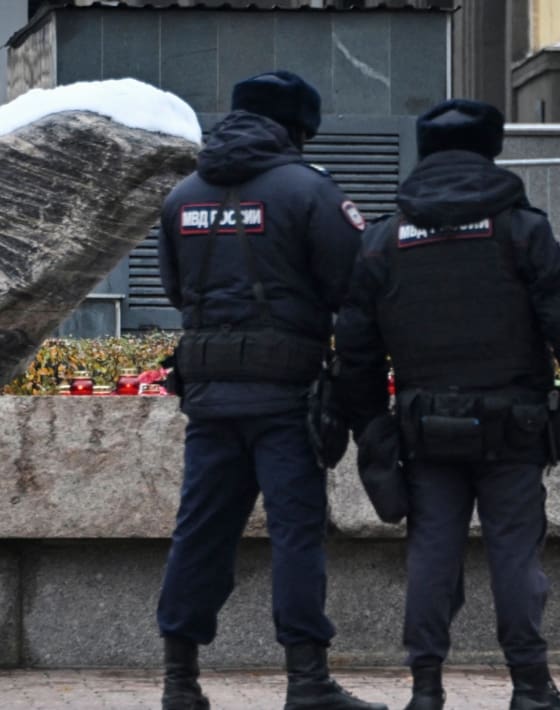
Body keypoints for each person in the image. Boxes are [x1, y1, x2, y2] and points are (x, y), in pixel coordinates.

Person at [333, 99, 560, 710]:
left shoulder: (386, 238)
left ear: (424, 151)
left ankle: (426, 689)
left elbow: (355, 348)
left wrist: (370, 427)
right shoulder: (522, 229)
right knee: (515, 552)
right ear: (492, 150)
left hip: (424, 429)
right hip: (514, 424)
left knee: (432, 549)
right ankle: (530, 687)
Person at [154, 71, 384, 710]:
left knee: (199, 532)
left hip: (208, 394)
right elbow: (352, 289)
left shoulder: (182, 196)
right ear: (299, 128)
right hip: (286, 398)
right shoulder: (308, 191)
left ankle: (180, 682)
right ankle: (307, 681)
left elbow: (177, 292)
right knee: (296, 535)